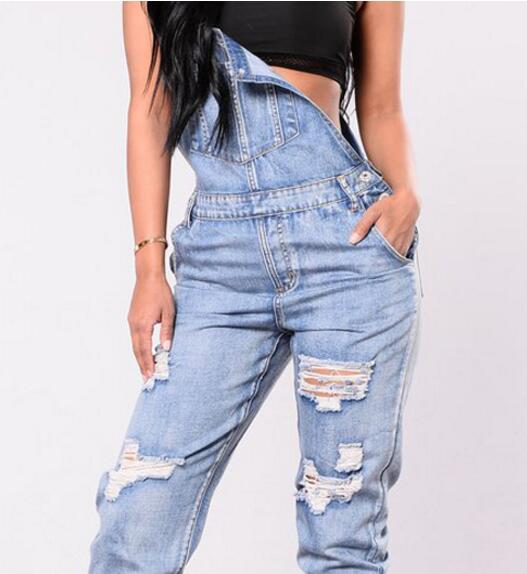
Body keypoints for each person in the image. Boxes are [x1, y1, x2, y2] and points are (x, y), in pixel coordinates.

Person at [89, 2, 422, 572]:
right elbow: (148, 108)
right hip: (219, 263)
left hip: (346, 248)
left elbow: (383, 105)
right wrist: (149, 268)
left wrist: (405, 196)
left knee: (340, 530)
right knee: (138, 512)